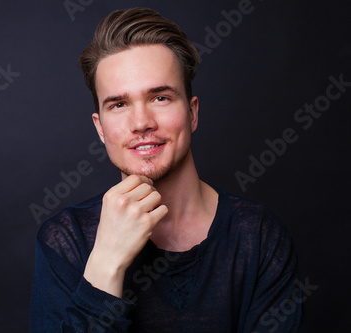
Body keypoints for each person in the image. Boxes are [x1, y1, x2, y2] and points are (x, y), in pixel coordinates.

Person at [30, 7, 303, 332]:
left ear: (192, 113)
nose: (142, 122)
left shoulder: (258, 235)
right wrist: (107, 262)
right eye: (119, 104)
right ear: (101, 128)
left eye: (160, 97)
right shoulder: (66, 239)